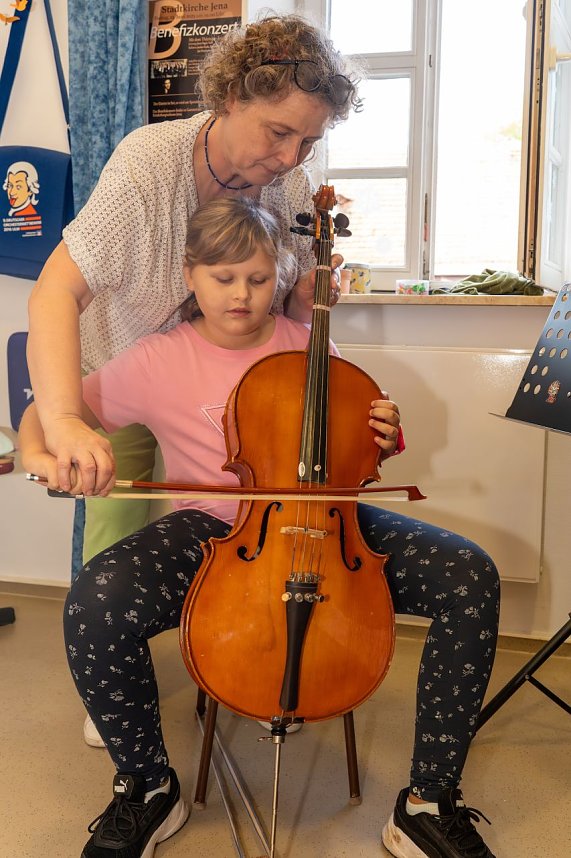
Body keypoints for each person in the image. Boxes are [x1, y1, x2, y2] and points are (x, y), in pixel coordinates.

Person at [20, 197, 500, 858]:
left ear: (276, 274)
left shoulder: (310, 343)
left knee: (468, 575)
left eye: (256, 278)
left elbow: (356, 448)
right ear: (191, 274)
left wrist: (382, 436)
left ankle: (426, 801)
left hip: (329, 519)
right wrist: (49, 453)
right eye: (223, 279)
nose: (242, 295)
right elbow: (47, 414)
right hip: (212, 532)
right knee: (96, 601)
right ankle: (147, 787)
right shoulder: (156, 360)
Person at [26, 13, 357, 578]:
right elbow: (57, 289)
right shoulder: (148, 163)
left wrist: (307, 299)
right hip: (125, 362)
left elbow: (286, 320)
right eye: (279, 132)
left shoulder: (294, 186)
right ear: (231, 97)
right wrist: (61, 420)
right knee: (113, 547)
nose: (289, 159)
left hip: (225, 390)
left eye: (309, 141)